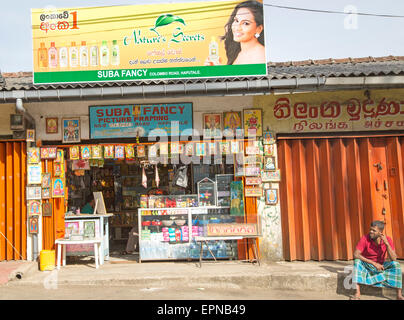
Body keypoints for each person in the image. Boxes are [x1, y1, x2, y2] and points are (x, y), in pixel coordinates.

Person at [351, 220, 403, 300]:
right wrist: (374, 263)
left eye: (374, 230)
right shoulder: (365, 238)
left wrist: (387, 244)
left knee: (396, 265)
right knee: (357, 262)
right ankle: (357, 293)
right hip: (367, 265)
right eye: (370, 229)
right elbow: (356, 254)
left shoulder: (388, 240)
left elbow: (394, 258)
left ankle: (399, 295)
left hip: (381, 265)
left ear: (380, 233)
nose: (371, 232)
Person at [205, 0, 265, 66]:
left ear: (259, 29)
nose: (237, 28)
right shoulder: (238, 51)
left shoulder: (260, 56)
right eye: (236, 20)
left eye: (245, 23)